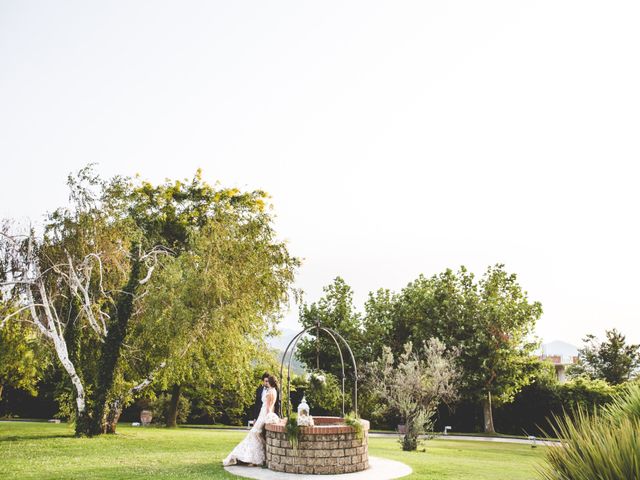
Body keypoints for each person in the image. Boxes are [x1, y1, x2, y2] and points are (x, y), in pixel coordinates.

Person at [223, 375, 279, 466]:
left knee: (254, 433)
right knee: (255, 434)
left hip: (264, 414)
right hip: (263, 413)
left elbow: (269, 407)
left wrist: (269, 416)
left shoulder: (270, 392)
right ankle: (255, 457)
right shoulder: (274, 391)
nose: (266, 383)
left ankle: (252, 458)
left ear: (270, 382)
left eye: (267, 381)